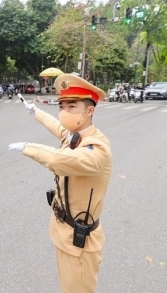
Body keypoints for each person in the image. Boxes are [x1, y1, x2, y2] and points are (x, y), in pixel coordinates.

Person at [8, 73, 112, 293]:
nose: (64, 111)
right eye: (62, 105)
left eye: (71, 106)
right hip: (63, 233)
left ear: (89, 111)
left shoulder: (97, 149)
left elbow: (59, 160)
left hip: (79, 243)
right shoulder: (75, 135)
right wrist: (35, 111)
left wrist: (27, 147)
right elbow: (58, 127)